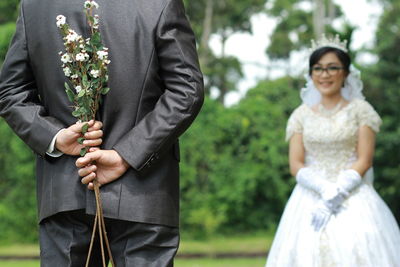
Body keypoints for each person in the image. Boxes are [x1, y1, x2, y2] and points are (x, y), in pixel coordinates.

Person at [0, 0, 204, 266]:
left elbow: (11, 93)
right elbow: (186, 91)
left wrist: (55, 137)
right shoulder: (160, 3)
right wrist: (128, 155)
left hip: (66, 191)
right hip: (143, 194)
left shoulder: (34, 6)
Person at [265, 35, 400, 267]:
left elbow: (365, 159)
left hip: (353, 194)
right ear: (310, 74)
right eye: (317, 69)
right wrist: (323, 189)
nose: (324, 75)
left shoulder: (362, 111)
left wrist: (337, 191)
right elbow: (295, 163)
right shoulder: (300, 115)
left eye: (332, 68)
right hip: (309, 195)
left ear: (346, 73)